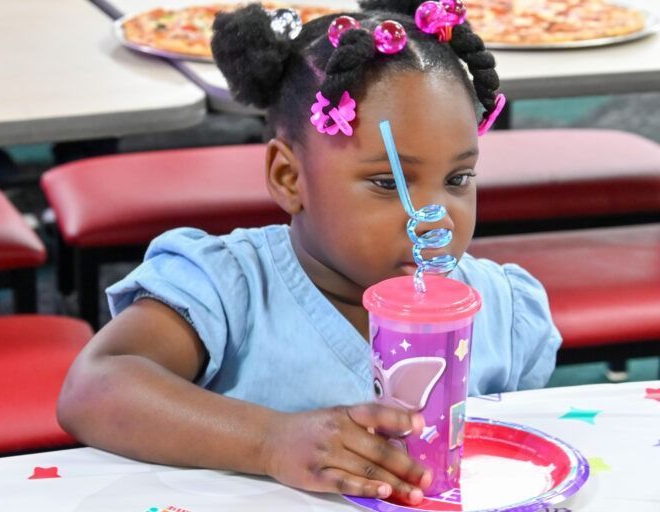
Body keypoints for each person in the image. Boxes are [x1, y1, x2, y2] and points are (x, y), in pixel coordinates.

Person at [57, 0, 561, 506]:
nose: (437, 219)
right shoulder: (231, 289)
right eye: (388, 183)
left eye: (458, 179)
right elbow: (94, 387)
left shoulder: (501, 309)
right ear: (289, 177)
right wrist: (269, 441)